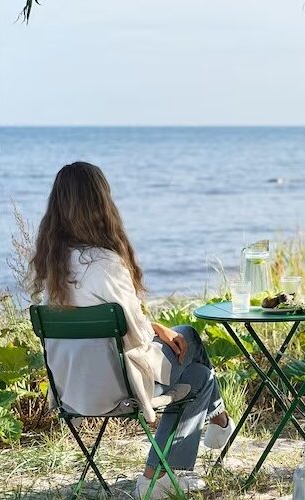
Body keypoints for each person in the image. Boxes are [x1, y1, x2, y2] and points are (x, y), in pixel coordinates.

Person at [28, 161, 235, 499]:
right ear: (101, 205)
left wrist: (157, 327)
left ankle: (173, 465)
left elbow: (117, 323)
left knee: (196, 370)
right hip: (121, 386)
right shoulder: (105, 264)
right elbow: (136, 336)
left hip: (74, 389)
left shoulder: (51, 264)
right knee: (195, 355)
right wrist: (158, 330)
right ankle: (204, 434)